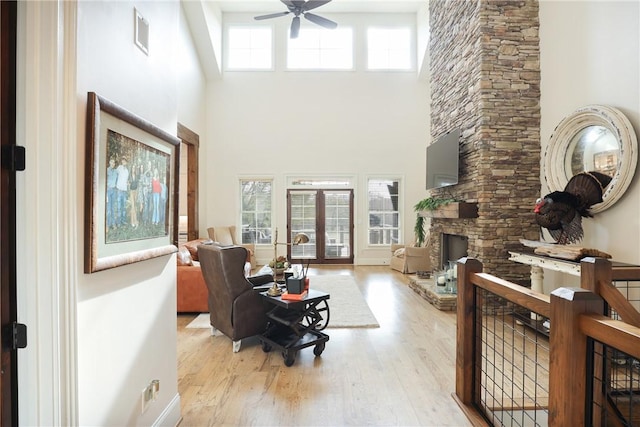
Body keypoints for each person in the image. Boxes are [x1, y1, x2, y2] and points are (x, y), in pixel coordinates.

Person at [115, 157, 130, 226]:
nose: (124, 162)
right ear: (122, 161)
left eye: (125, 161)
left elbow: (126, 180)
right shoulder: (119, 168)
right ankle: (118, 222)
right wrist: (115, 185)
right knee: (119, 207)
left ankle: (123, 221)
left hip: (124, 191)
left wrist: (127, 183)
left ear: (126, 162)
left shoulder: (127, 171)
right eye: (123, 160)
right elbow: (115, 175)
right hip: (119, 190)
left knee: (124, 207)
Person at [106, 158, 117, 230]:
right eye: (112, 162)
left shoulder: (116, 171)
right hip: (108, 190)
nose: (113, 164)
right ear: (109, 162)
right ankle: (107, 225)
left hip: (114, 190)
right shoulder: (107, 170)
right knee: (108, 209)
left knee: (113, 208)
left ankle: (113, 224)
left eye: (114, 163)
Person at [128, 162, 139, 228]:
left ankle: (133, 221)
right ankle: (134, 221)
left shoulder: (136, 175)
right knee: (133, 207)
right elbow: (129, 184)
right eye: (133, 168)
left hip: (135, 191)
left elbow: (137, 185)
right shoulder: (129, 176)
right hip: (131, 191)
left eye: (134, 168)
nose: (133, 169)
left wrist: (137, 193)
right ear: (131, 168)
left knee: (134, 207)